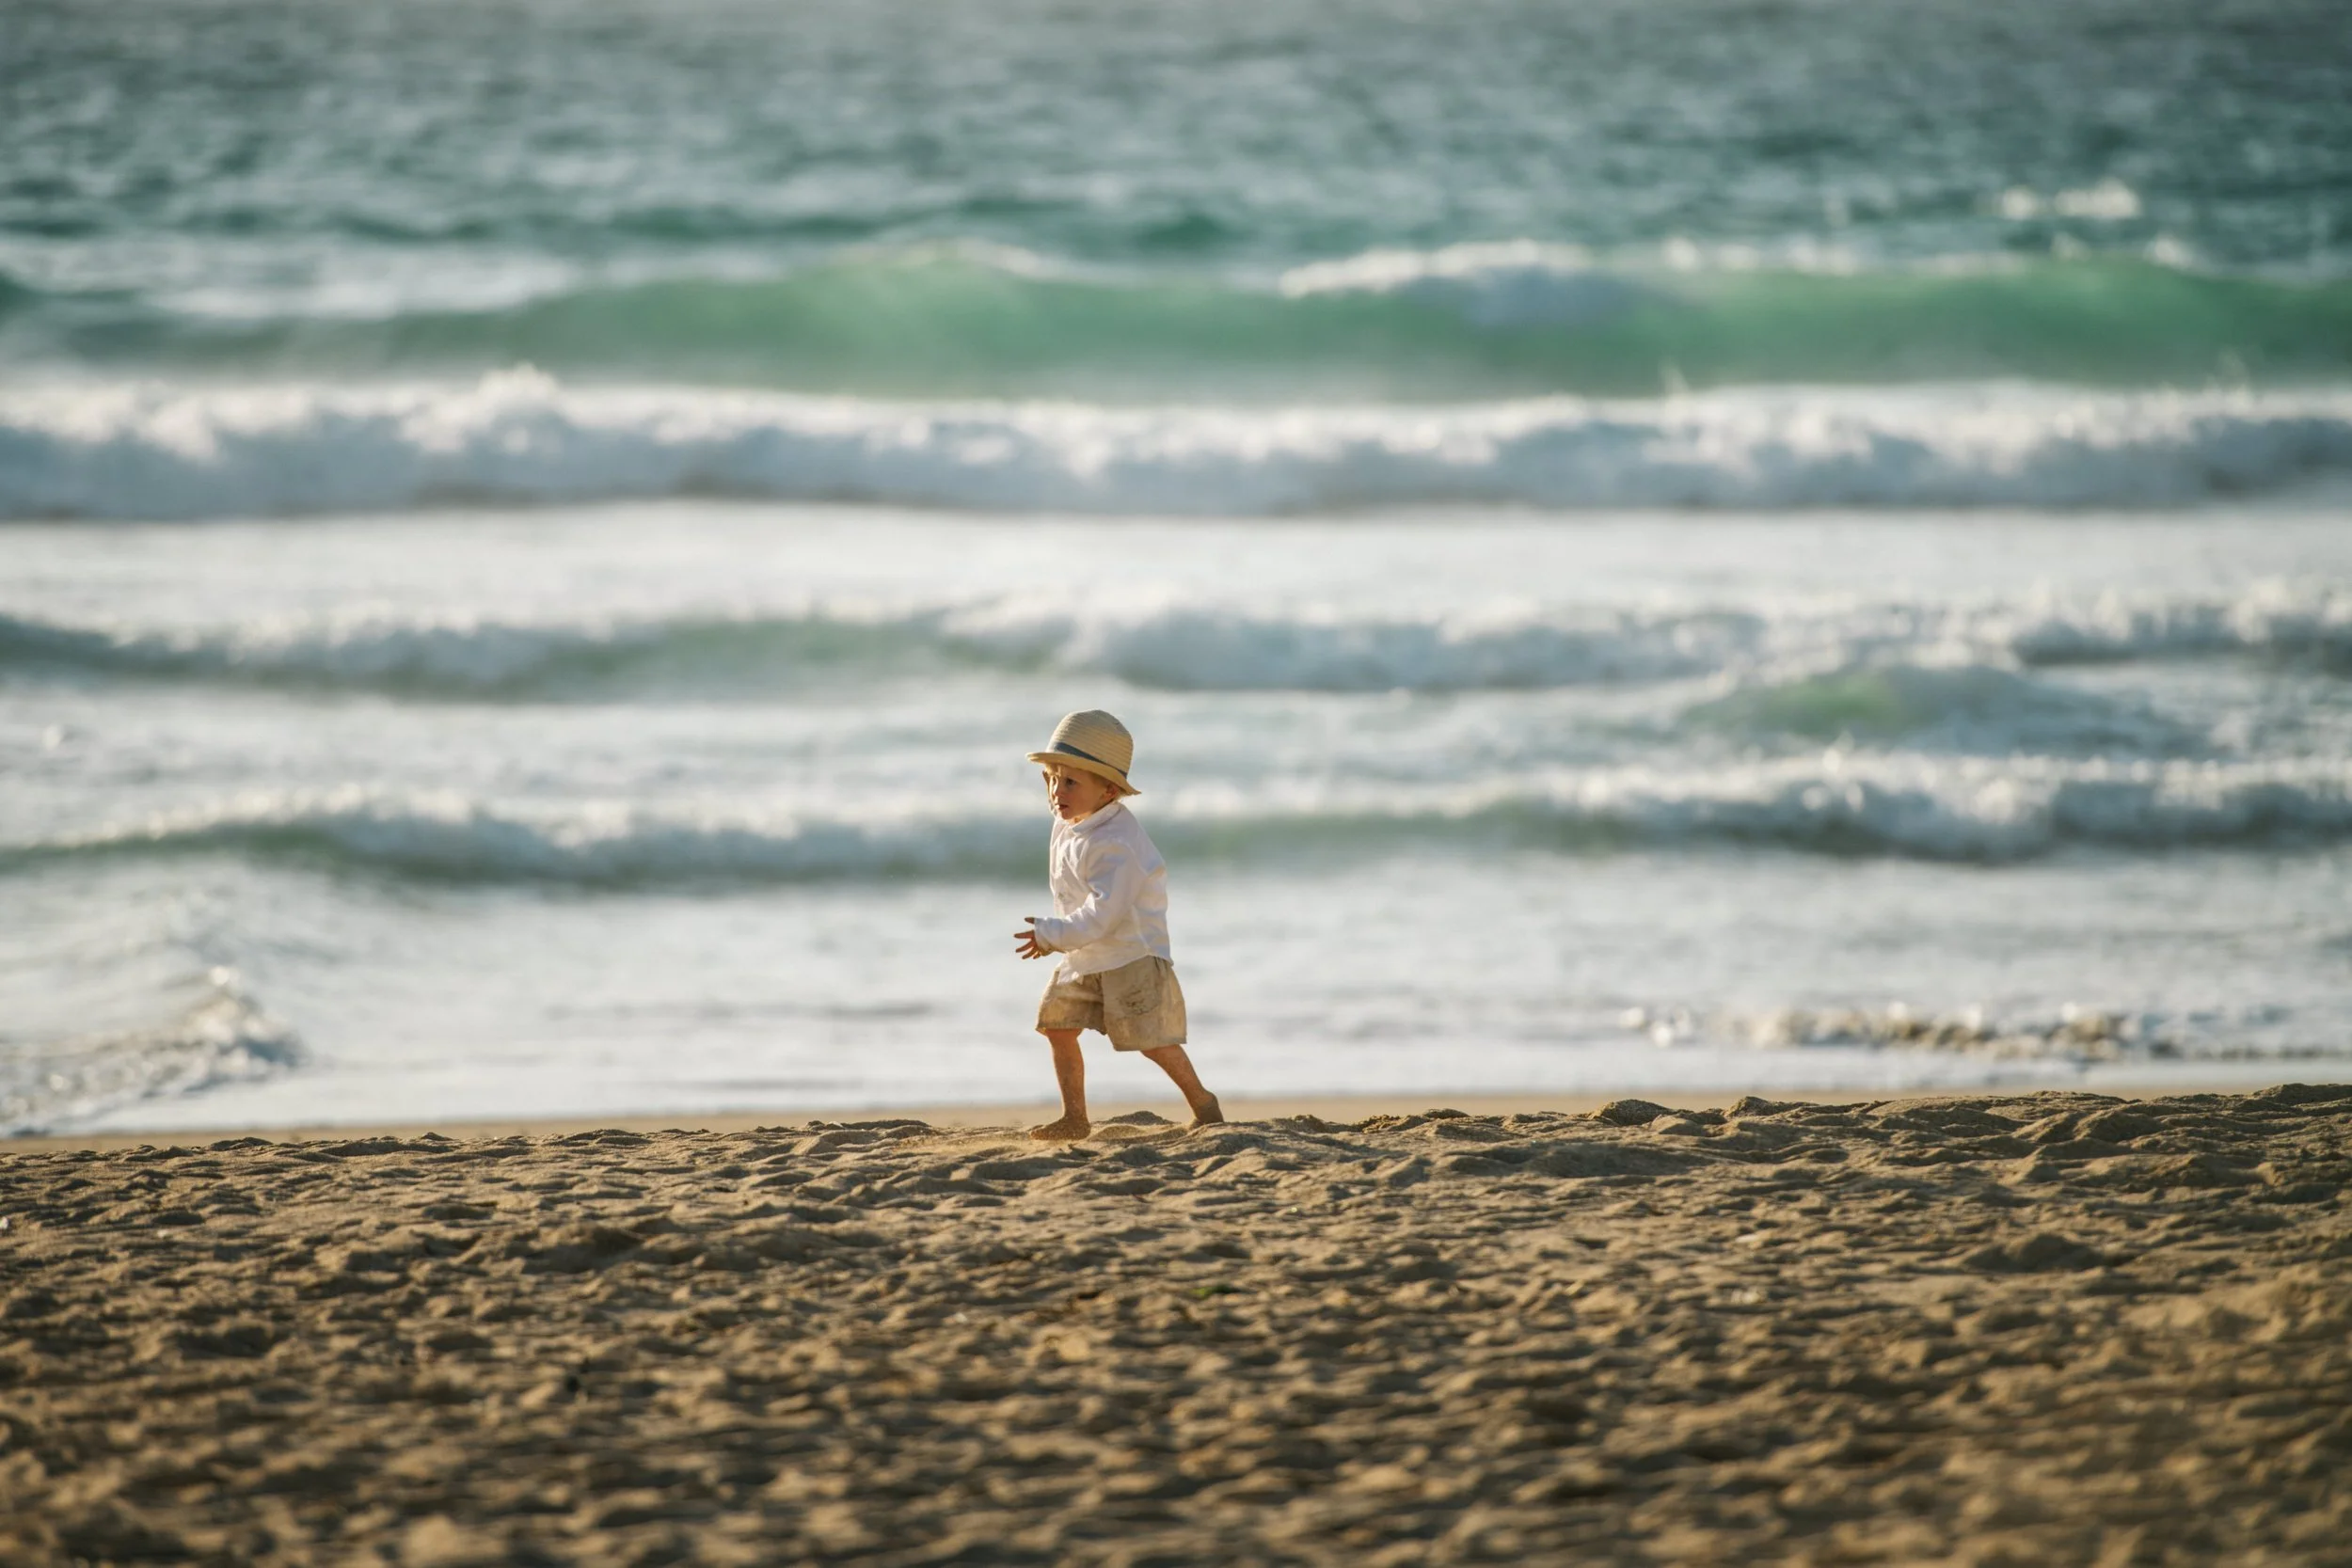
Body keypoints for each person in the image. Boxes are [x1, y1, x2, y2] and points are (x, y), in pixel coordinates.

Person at [1013, 710, 1222, 1142]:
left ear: (1109, 789)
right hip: (1085, 953)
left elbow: (1103, 915)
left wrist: (1052, 935)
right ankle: (1075, 1117)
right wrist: (1064, 939)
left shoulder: (1118, 843)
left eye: (1071, 782)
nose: (1057, 791)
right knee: (1056, 1025)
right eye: (1053, 778)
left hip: (1130, 953)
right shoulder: (1068, 823)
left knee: (1152, 1040)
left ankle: (1203, 1103)